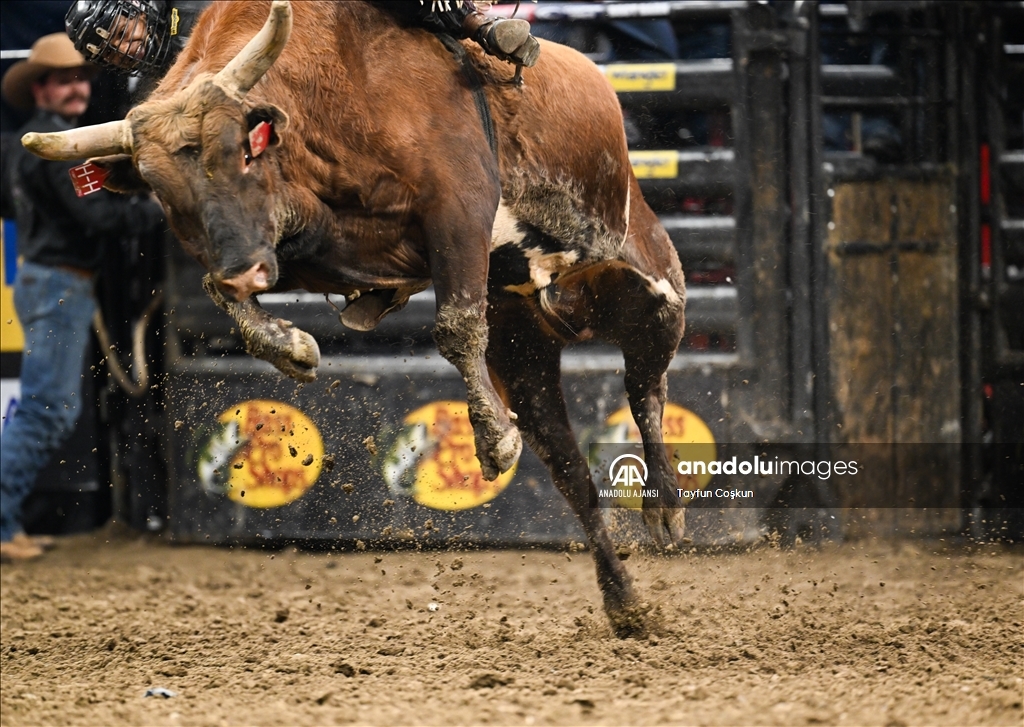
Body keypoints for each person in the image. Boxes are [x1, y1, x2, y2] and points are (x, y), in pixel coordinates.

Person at [0, 33, 164, 562]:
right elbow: (101, 217)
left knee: (48, 409)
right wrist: (162, 203)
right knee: (48, 412)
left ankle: (6, 526)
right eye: (63, 80)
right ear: (42, 89)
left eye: (80, 79)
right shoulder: (60, 149)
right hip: (58, 284)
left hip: (52, 281)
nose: (75, 88)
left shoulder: (36, 141)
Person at [64, 0, 540, 78]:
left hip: (306, 22)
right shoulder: (161, 84)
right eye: (113, 53)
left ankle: (478, 24)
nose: (126, 49)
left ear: (135, 9)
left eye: (122, 34)